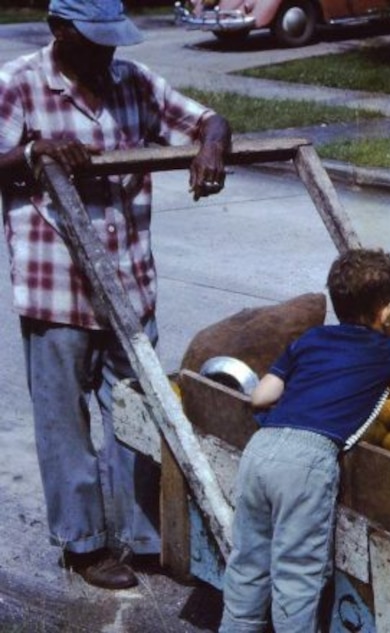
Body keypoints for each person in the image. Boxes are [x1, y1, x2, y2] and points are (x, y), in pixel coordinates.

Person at [0, 0, 232, 590]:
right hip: (58, 288)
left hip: (130, 285)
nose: (106, 54)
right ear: (59, 30)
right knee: (64, 425)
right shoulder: (19, 83)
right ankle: (83, 546)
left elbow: (207, 118)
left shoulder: (133, 83)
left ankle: (143, 537)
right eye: (92, 41)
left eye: (111, 41)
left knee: (137, 411)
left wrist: (211, 143)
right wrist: (32, 154)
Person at [219, 248, 390, 633]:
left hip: (261, 449)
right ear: (385, 312)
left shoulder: (310, 340)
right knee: (297, 574)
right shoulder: (387, 350)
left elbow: (261, 396)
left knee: (248, 562)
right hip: (308, 461)